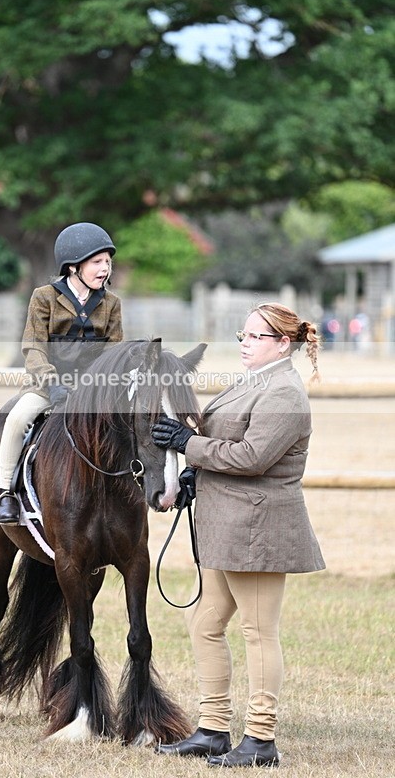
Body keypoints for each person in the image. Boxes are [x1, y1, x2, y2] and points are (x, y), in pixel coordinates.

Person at [151, 302, 325, 768]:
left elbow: (251, 457)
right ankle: (212, 729)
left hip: (257, 529)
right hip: (225, 526)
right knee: (205, 624)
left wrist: (188, 445)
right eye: (242, 335)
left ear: (283, 344)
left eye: (255, 336)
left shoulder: (284, 392)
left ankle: (261, 739)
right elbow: (225, 443)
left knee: (258, 631)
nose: (245, 343)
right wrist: (194, 472)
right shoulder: (252, 381)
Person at [0, 222, 123, 525]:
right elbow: (34, 347)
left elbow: (113, 353)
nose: (105, 268)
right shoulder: (44, 297)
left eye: (107, 261)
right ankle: (6, 492)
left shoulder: (111, 304)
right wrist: (51, 385)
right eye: (97, 262)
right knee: (16, 419)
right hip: (46, 386)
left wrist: (99, 386)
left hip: (92, 390)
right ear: (74, 266)